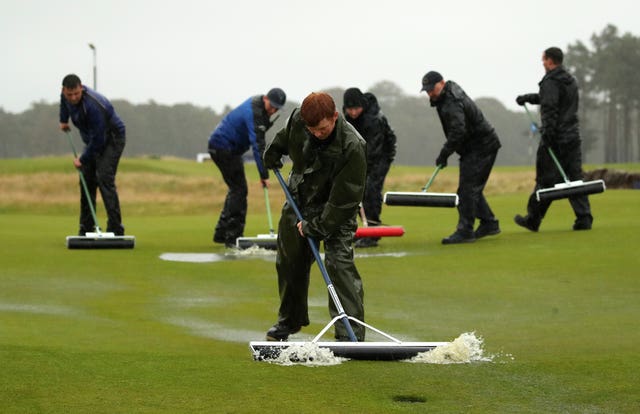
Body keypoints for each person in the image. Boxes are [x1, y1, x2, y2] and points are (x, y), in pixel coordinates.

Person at [262, 92, 367, 341]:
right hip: (300, 198)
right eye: (312, 129)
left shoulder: (353, 146)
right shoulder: (299, 119)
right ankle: (289, 321)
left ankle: (349, 332)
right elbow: (284, 139)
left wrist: (316, 226)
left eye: (322, 128)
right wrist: (273, 152)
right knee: (289, 261)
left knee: (338, 264)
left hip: (337, 209)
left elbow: (344, 200)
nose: (317, 134)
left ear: (334, 116)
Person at [515, 47, 593, 231]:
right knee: (575, 178)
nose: (542, 63)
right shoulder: (570, 80)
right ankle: (584, 218)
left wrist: (548, 136)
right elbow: (553, 99)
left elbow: (550, 108)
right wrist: (527, 98)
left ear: (550, 61)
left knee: (544, 179)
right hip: (573, 136)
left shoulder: (550, 81)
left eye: (543, 60)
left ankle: (533, 219)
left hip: (556, 138)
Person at [421, 71, 502, 244]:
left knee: (467, 191)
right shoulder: (446, 96)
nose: (430, 93)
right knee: (470, 189)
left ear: (442, 83)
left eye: (432, 89)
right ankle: (489, 223)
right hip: (475, 147)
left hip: (481, 146)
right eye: (427, 90)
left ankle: (465, 230)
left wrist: (444, 153)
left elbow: (458, 131)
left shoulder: (451, 101)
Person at [207, 88, 286, 247]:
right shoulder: (254, 113)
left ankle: (222, 233)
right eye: (272, 105)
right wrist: (264, 174)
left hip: (227, 148)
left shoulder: (260, 109)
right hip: (223, 147)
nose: (273, 110)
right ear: (265, 99)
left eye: (277, 108)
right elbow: (258, 145)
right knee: (239, 190)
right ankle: (233, 238)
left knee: (235, 189)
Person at [59, 74, 127, 236]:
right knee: (86, 180)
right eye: (70, 94)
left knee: (104, 177)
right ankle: (86, 226)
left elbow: (99, 140)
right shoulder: (65, 96)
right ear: (64, 91)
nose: (73, 98)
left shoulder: (93, 106)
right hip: (93, 140)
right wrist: (63, 120)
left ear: (81, 88)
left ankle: (116, 228)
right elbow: (63, 104)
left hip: (112, 138)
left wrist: (82, 159)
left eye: (76, 93)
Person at [343, 88, 397, 248]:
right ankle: (364, 230)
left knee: (371, 190)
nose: (353, 112)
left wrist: (359, 168)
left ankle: (373, 232)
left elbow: (373, 150)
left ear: (362, 106)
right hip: (360, 156)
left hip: (382, 155)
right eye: (349, 109)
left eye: (356, 109)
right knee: (355, 191)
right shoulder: (346, 118)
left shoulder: (374, 119)